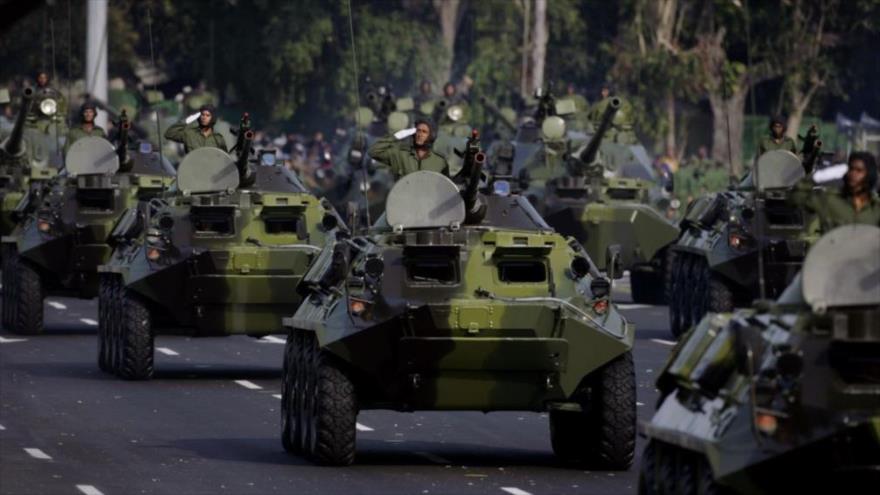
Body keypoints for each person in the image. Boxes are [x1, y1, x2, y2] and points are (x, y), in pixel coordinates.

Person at [790, 151, 880, 231]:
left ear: (869, 175)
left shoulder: (876, 208)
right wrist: (818, 176)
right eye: (851, 169)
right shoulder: (830, 200)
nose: (853, 174)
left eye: (859, 170)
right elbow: (795, 197)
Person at [368, 119, 448, 180]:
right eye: (418, 131)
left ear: (432, 136)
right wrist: (398, 135)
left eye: (424, 132)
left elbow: (446, 187)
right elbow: (374, 151)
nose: (420, 135)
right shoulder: (400, 155)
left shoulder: (440, 161)